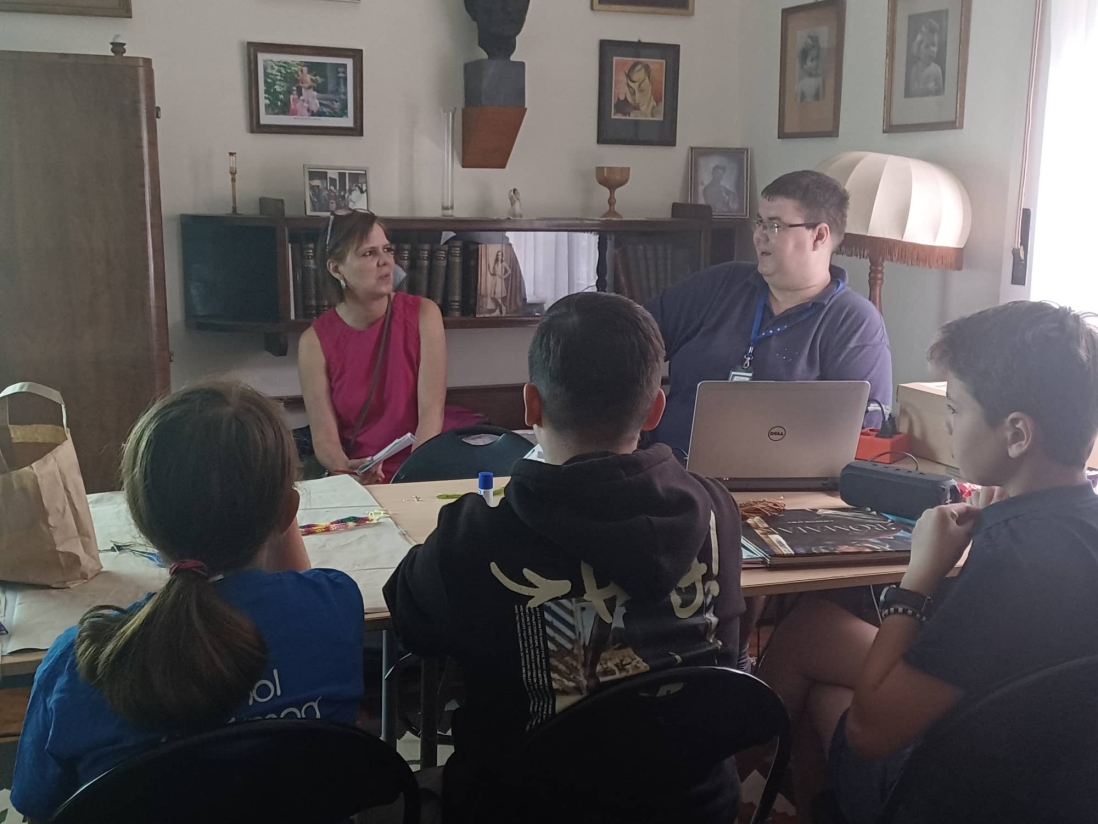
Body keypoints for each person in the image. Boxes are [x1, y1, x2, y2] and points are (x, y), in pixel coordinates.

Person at [383, 292, 746, 822]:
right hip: (695, 807)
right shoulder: (717, 511)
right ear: (655, 408)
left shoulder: (475, 536)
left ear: (531, 405)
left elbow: (410, 621)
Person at [756, 301, 1098, 824]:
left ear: (1017, 434)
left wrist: (919, 576)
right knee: (814, 628)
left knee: (824, 693)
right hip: (1056, 776)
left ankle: (718, 797)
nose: (949, 425)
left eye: (956, 410)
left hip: (959, 796)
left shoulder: (1013, 564)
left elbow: (871, 733)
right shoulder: (1066, 524)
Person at [11, 382, 366, 821]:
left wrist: (275, 508)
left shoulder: (76, 668)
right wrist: (275, 508)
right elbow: (294, 587)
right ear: (286, 514)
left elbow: (37, 811)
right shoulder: (334, 605)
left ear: (139, 517)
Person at [646, 169, 892, 460]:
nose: (759, 236)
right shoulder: (721, 283)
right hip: (668, 469)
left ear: (819, 236)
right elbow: (633, 338)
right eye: (759, 223)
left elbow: (863, 434)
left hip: (778, 482)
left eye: (774, 225)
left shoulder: (854, 322)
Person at [299, 211, 447, 483]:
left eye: (387, 250)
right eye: (368, 253)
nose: (385, 261)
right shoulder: (313, 342)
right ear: (336, 269)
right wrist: (348, 471)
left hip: (418, 470)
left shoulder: (425, 315)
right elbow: (324, 438)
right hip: (355, 477)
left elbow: (431, 414)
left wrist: (408, 478)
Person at [907, 18, 944, 97]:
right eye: (926, 46)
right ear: (918, 50)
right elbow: (912, 92)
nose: (931, 50)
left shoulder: (937, 70)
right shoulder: (916, 69)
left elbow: (941, 93)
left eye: (934, 45)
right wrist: (927, 89)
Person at [797, 33, 824, 102]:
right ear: (804, 64)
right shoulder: (801, 84)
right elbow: (798, 102)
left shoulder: (819, 80)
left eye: (817, 58)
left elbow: (821, 100)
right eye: (812, 60)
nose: (816, 63)